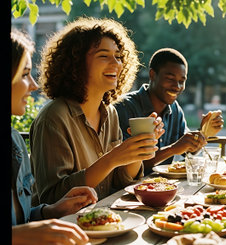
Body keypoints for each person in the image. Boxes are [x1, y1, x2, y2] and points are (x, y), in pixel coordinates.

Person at [30, 17, 164, 205]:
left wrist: (137, 150)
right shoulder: (53, 118)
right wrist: (111, 159)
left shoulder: (110, 114)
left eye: (118, 56)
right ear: (75, 62)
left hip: (105, 221)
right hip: (68, 228)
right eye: (103, 55)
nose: (116, 63)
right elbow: (52, 197)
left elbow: (120, 181)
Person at [11, 28, 98, 245]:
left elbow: (22, 220)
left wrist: (52, 210)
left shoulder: (15, 142)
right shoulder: (53, 117)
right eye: (24, 74)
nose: (34, 84)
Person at [114, 48, 224, 175]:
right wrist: (172, 149)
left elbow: (187, 150)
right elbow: (123, 166)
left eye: (181, 81)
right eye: (170, 79)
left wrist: (204, 131)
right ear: (152, 75)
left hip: (163, 187)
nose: (177, 86)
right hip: (126, 190)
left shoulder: (175, 109)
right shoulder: (124, 107)